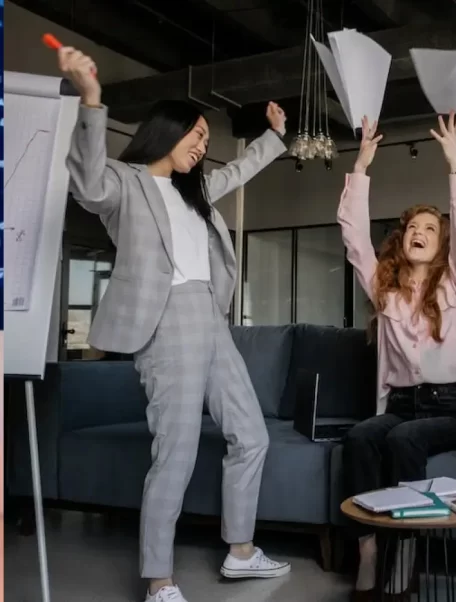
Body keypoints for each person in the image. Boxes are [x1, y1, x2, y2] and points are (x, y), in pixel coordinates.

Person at [58, 47, 292, 602]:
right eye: (199, 135)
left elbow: (238, 171)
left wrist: (274, 138)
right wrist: (92, 100)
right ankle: (159, 580)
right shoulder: (124, 183)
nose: (204, 147)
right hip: (165, 325)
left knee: (252, 435)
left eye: (207, 141)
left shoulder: (197, 193)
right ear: (170, 129)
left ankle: (239, 552)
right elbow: (86, 184)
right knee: (177, 451)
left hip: (211, 317)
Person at [337, 113, 456, 602]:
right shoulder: (385, 290)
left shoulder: (453, 284)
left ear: (440, 246)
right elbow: (354, 237)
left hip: (449, 410)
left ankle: (407, 553)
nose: (419, 231)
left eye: (429, 228)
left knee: (403, 440)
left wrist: (453, 159)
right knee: (359, 437)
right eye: (412, 227)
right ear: (402, 240)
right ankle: (369, 548)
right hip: (399, 404)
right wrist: (361, 164)